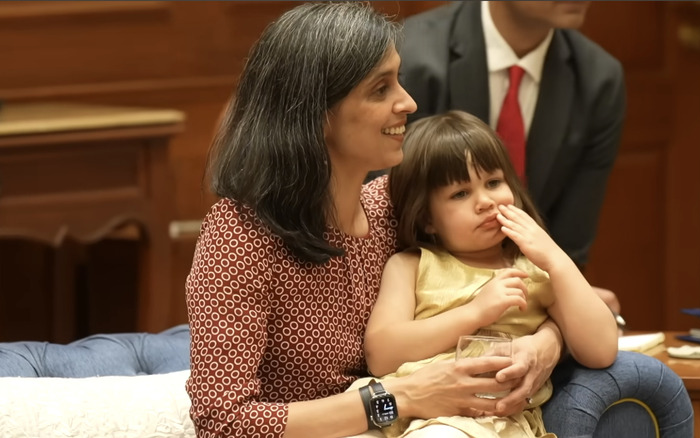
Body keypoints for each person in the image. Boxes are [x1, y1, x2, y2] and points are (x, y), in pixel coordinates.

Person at [185, 3, 564, 438]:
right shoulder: (238, 235)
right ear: (316, 113)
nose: (409, 102)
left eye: (398, 80)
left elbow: (541, 288)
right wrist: (398, 397)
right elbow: (221, 422)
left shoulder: (396, 204)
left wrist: (544, 345)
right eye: (380, 89)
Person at [359, 110, 618, 438]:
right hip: (401, 405)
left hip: (485, 422)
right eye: (460, 194)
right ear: (427, 219)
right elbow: (381, 355)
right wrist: (474, 312)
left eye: (494, 182)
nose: (485, 202)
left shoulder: (534, 271)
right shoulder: (411, 265)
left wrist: (556, 258)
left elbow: (601, 349)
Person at [368, 1, 625, 314]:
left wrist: (551, 332)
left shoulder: (598, 79)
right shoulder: (406, 57)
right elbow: (380, 221)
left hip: (528, 306)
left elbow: (569, 244)